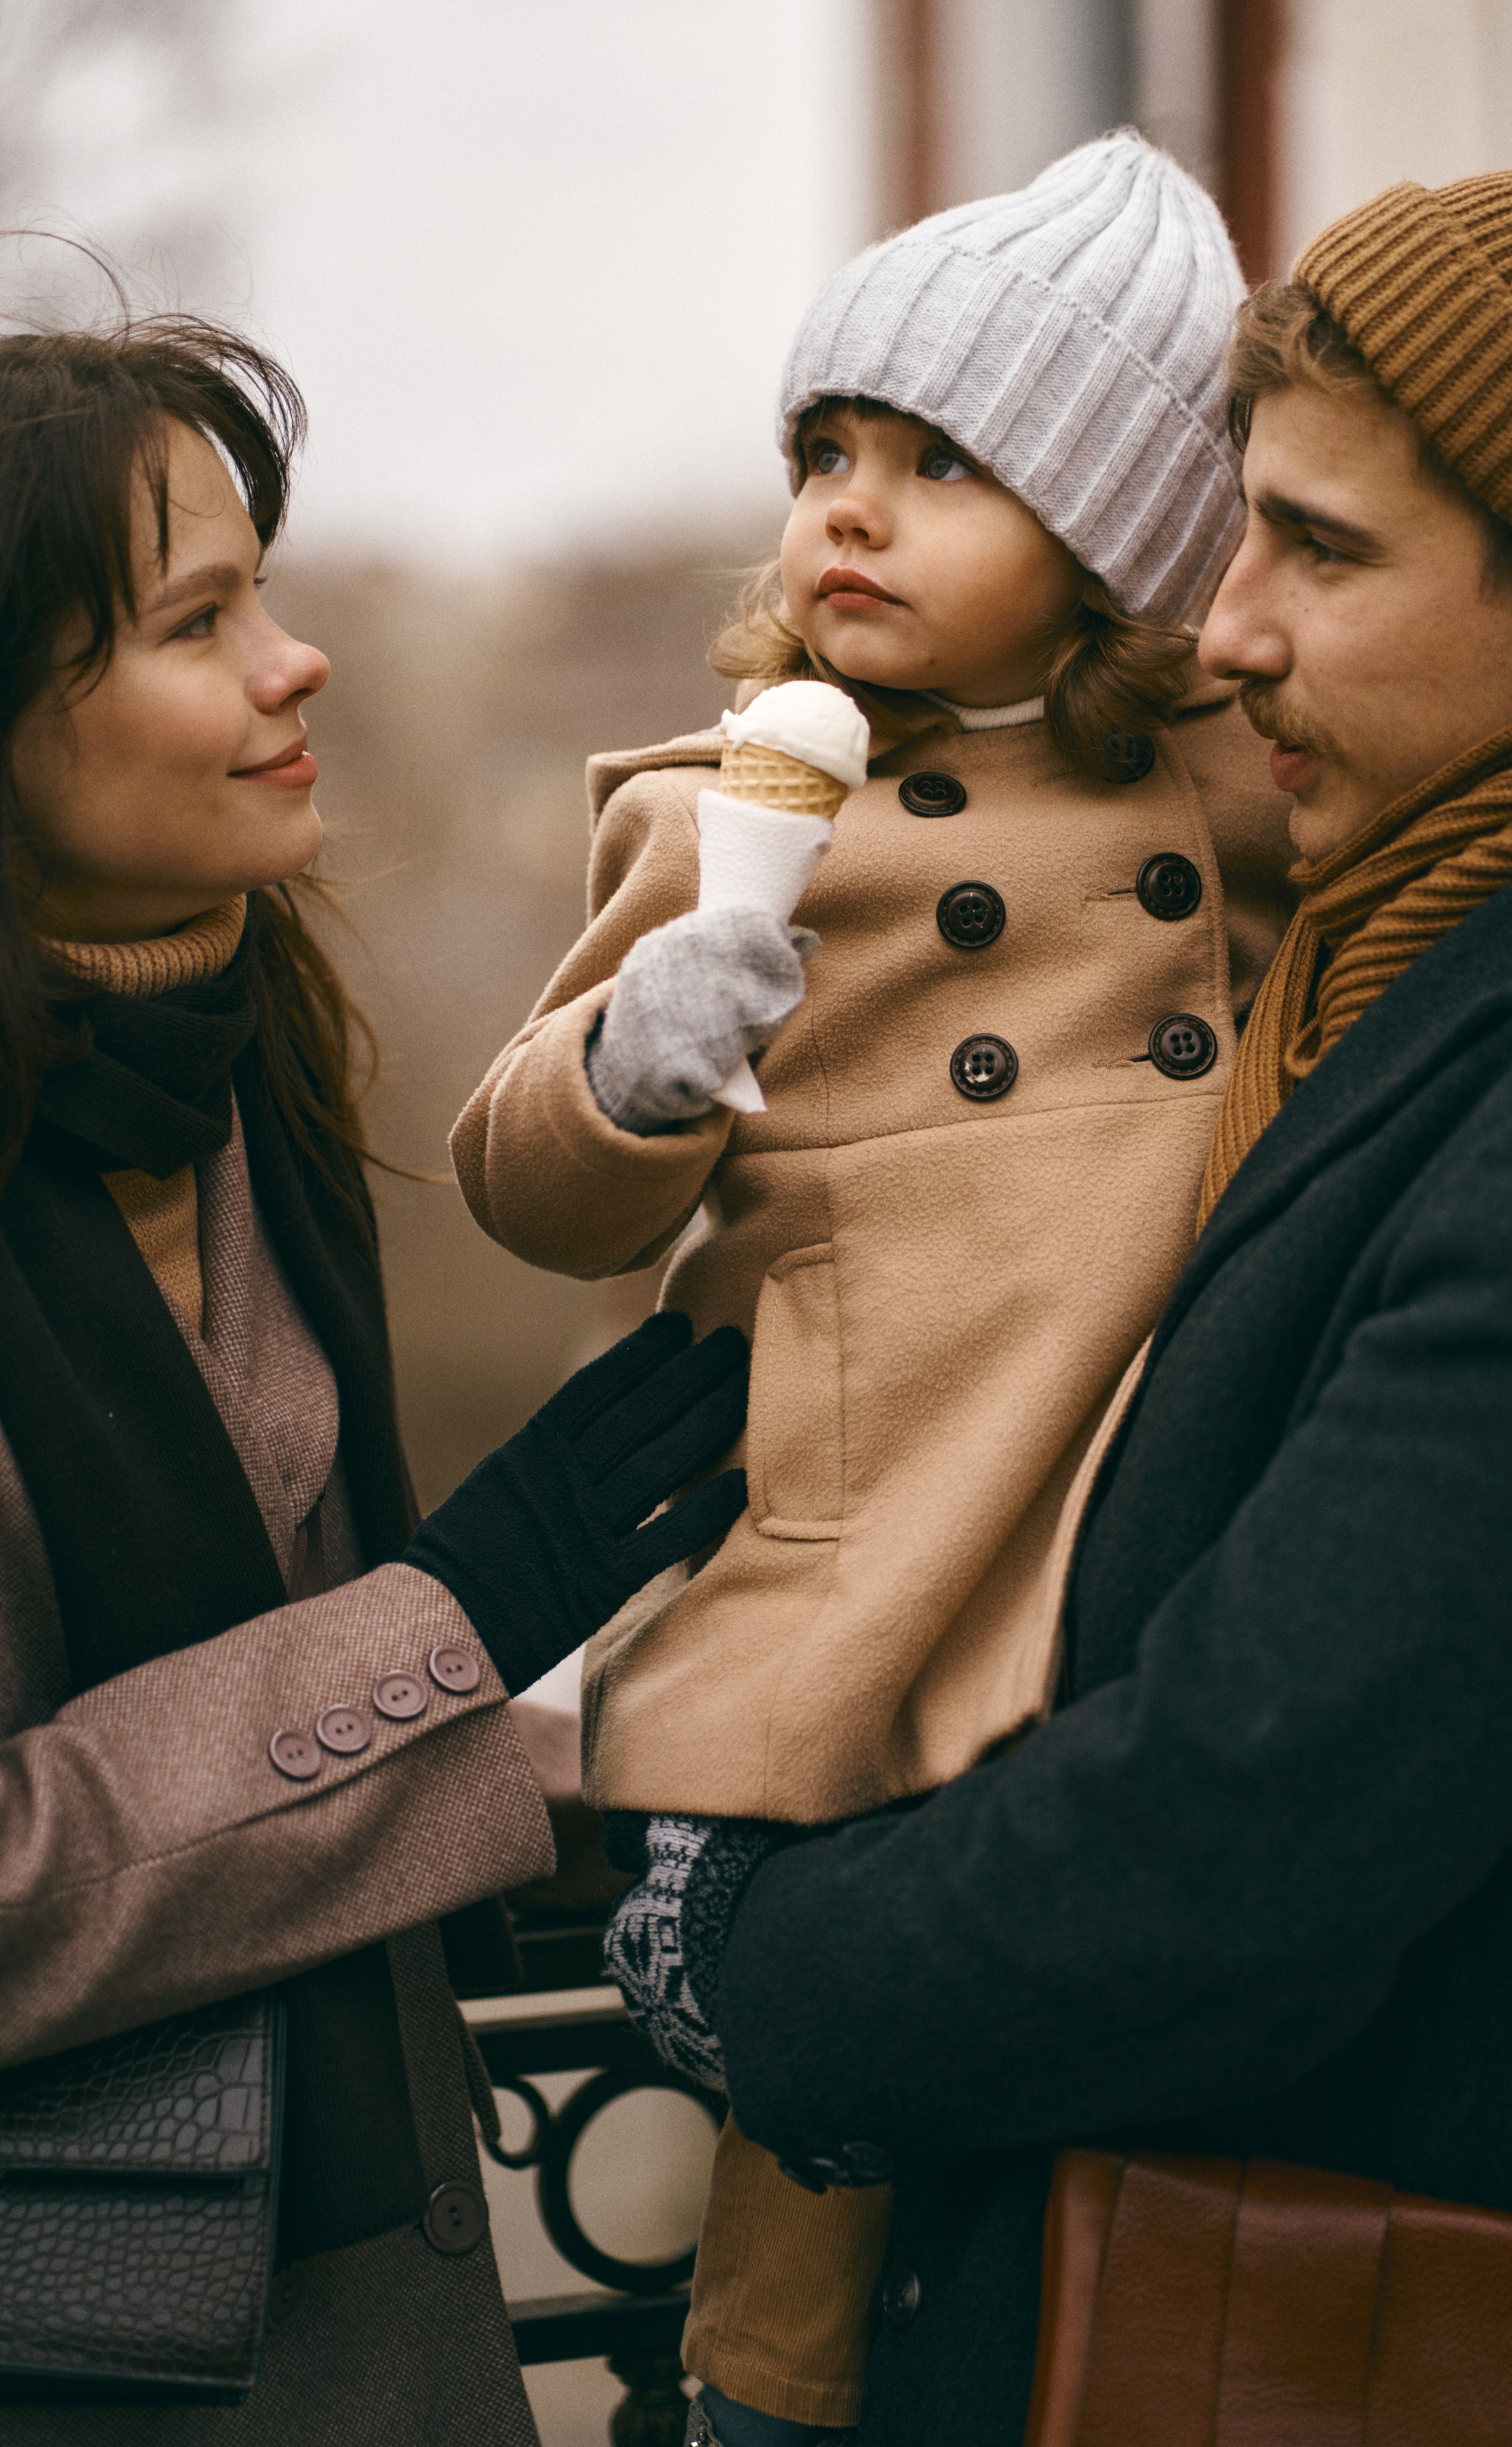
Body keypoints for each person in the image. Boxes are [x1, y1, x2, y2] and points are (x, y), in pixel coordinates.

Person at [597, 161, 1512, 2441]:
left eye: (1324, 552)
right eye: (1235, 529)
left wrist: (755, 1969)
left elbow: (1249, 1828)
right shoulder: (1406, 956)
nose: (1228, 628)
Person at [452, 136, 1293, 2446]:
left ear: (1122, 538)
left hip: (1117, 1537)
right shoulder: (740, 824)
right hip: (847, 1556)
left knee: (1073, 2201)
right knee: (808, 2208)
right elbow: (535, 1190)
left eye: (944, 466)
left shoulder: (1230, 797)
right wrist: (647, 1054)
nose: (850, 507)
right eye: (827, 450)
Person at [0, 314, 749, 2443]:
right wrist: (461, 1614)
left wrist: (673, 1735)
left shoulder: (237, 1079)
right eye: (195, 620)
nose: (294, 662)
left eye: (271, 592)